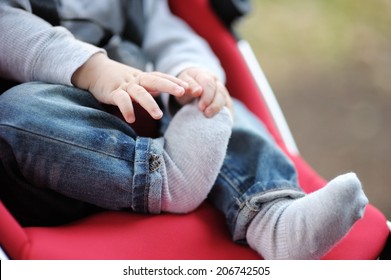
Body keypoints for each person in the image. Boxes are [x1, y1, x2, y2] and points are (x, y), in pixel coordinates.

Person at [0, 0, 368, 260]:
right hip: (58, 155)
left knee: (217, 108)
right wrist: (91, 69)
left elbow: (171, 36)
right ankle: (165, 178)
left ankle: (273, 216)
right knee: (13, 112)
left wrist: (192, 73)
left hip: (151, 118)